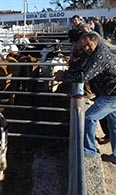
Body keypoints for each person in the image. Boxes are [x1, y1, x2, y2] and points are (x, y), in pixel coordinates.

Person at [54, 32, 116, 163]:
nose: (86, 48)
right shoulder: (94, 53)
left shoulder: (100, 56)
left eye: (88, 45)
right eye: (84, 46)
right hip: (110, 92)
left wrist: (63, 76)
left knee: (89, 117)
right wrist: (71, 66)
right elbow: (82, 68)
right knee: (114, 124)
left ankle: (89, 150)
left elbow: (84, 76)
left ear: (96, 41)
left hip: (112, 94)